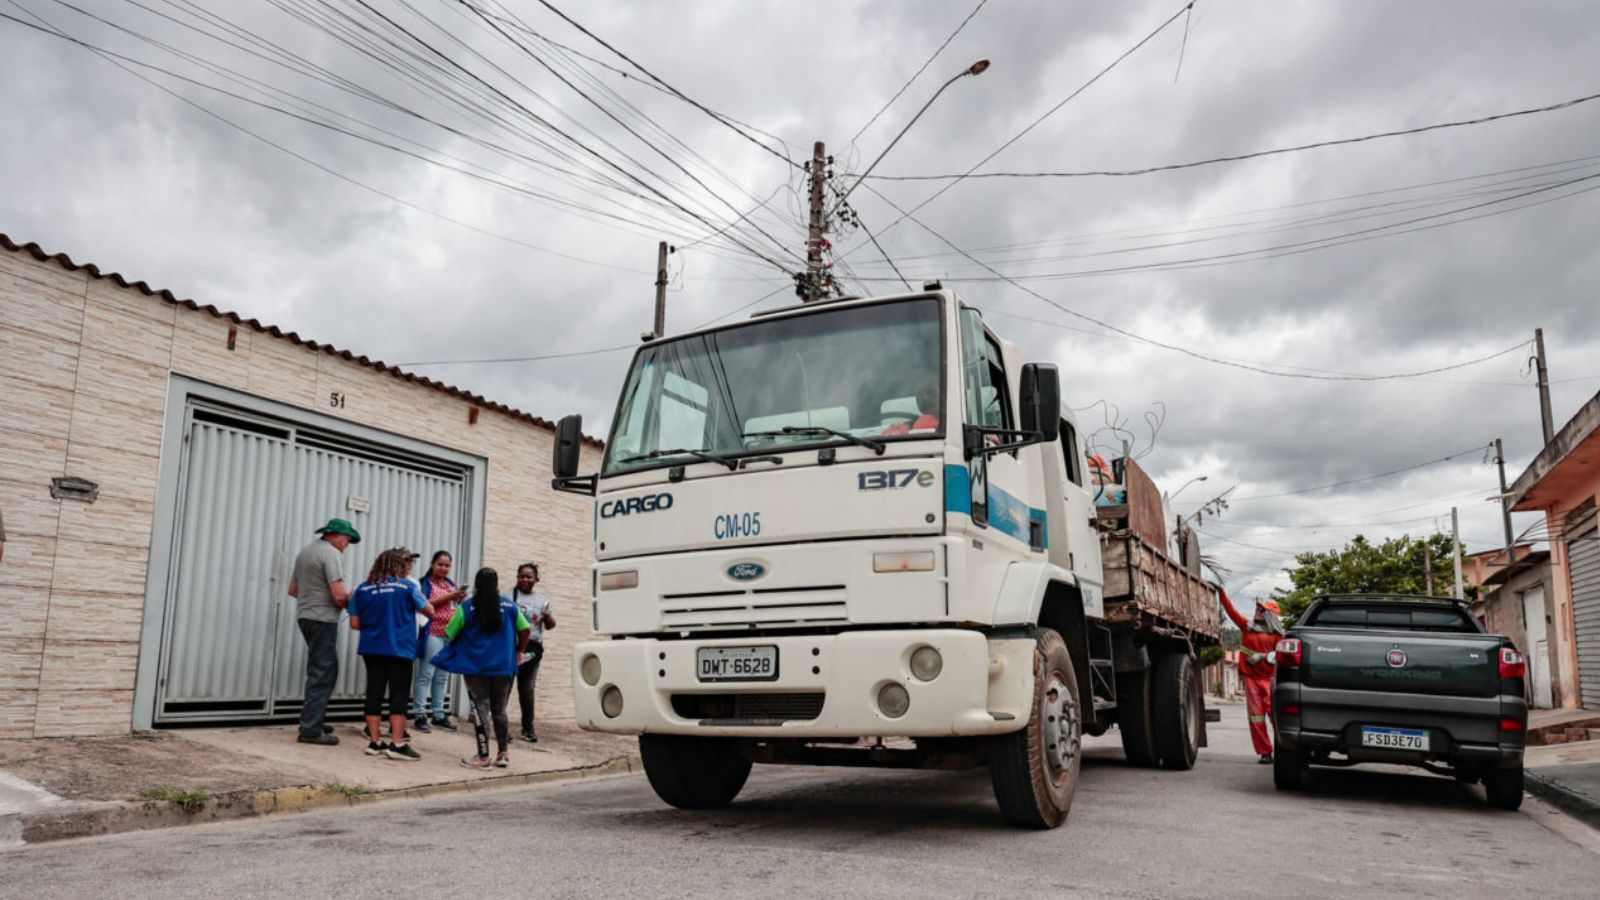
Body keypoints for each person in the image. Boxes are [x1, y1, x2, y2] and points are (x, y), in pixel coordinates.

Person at [430, 568, 530, 769]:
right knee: (499, 710)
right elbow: (525, 629)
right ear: (497, 583)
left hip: (474, 666)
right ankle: (503, 754)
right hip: (503, 666)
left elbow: (449, 633)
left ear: (476, 584)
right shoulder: (510, 606)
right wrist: (519, 651)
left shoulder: (466, 607)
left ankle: (483, 757)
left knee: (481, 709)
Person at [348, 549, 432, 761]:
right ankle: (397, 744)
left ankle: (375, 742)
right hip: (400, 649)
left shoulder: (362, 589)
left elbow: (355, 624)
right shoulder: (407, 586)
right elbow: (429, 610)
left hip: (372, 648)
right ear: (399, 566)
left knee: (374, 693)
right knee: (399, 695)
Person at [286, 518, 360, 745]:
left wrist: (314, 600)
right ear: (336, 535)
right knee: (323, 672)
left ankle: (313, 719)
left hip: (305, 617)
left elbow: (293, 590)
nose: (347, 544)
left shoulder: (305, 552)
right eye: (347, 539)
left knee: (320, 669)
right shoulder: (331, 554)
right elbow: (339, 596)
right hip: (323, 620)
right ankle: (310, 730)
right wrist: (357, 603)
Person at [1218, 589, 1285, 764]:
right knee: (1256, 718)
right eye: (1257, 608)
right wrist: (1222, 594)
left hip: (1270, 679)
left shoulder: (1278, 636)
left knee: (1275, 716)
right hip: (1251, 679)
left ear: (1270, 615)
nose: (1257, 611)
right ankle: (1265, 752)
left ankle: (1284, 749)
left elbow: (1279, 655)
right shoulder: (1247, 627)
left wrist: (1262, 657)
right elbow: (1231, 612)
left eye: (1261, 609)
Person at [413, 550, 467, 733]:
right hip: (432, 633)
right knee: (426, 674)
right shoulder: (424, 584)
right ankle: (420, 714)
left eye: (447, 565)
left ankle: (438, 714)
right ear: (432, 564)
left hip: (449, 635)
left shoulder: (450, 584)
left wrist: (459, 599)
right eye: (440, 564)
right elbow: (424, 605)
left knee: (442, 676)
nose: (444, 568)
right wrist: (451, 597)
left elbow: (454, 607)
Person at [511, 562, 557, 743]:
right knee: (504, 688)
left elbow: (550, 626)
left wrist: (547, 616)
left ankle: (527, 729)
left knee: (527, 690)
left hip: (532, 650)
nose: (525, 579)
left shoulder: (542, 600)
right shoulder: (509, 596)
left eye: (529, 576)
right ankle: (501, 727)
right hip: (512, 648)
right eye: (521, 576)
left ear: (536, 579)